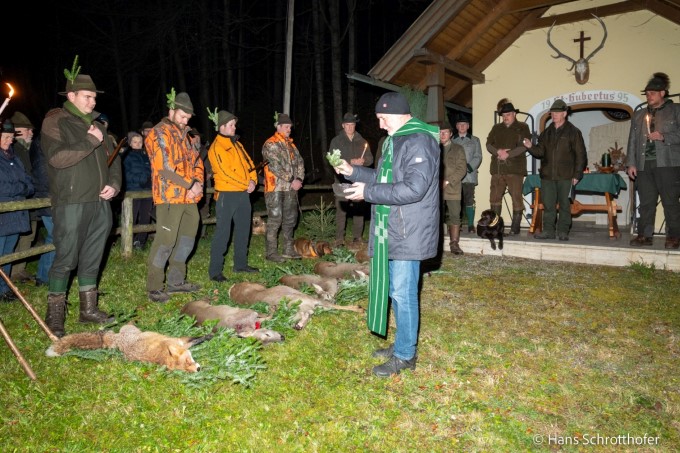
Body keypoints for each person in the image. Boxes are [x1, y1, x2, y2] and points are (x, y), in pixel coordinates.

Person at [334, 92, 440, 377]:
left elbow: (414, 188)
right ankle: (402, 344)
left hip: (409, 231)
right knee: (396, 290)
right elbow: (383, 178)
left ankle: (405, 355)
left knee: (403, 294)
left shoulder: (419, 140)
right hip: (394, 228)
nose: (380, 125)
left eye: (383, 118)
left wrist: (368, 192)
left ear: (399, 115)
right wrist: (353, 171)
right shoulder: (396, 141)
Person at [40, 73, 121, 337]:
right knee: (66, 257)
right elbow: (57, 158)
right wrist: (90, 140)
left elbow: (113, 159)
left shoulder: (98, 126)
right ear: (71, 96)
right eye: (87, 97)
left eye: (94, 97)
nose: (92, 102)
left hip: (100, 202)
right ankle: (54, 315)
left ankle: (88, 309)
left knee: (93, 256)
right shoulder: (56, 121)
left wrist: (114, 184)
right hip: (71, 201)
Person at [145, 91, 204, 302]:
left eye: (188, 118)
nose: (185, 121)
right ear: (171, 110)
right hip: (169, 197)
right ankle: (154, 286)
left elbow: (197, 162)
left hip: (189, 198)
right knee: (165, 242)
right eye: (182, 116)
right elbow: (164, 167)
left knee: (187, 240)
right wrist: (190, 184)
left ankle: (176, 281)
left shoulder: (187, 137)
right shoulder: (158, 133)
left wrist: (198, 184)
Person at [627, 73, 680, 249]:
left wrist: (664, 136)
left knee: (670, 202)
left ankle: (674, 237)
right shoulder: (639, 115)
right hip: (644, 165)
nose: (649, 96)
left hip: (668, 164)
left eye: (653, 93)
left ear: (662, 93)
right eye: (647, 93)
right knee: (646, 202)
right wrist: (631, 163)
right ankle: (645, 236)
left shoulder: (676, 110)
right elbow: (632, 140)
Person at [524, 99, 587, 241]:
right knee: (548, 205)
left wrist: (577, 174)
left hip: (566, 175)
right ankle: (548, 231)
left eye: (557, 112)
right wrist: (530, 146)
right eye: (552, 113)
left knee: (565, 204)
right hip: (547, 176)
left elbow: (581, 155)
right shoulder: (546, 133)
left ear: (564, 113)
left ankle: (563, 231)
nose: (554, 115)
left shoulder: (574, 132)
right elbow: (540, 152)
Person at [207, 110, 259, 282]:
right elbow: (225, 173)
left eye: (234, 125)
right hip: (227, 194)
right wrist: (246, 184)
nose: (234, 127)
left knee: (244, 229)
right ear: (222, 126)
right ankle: (215, 271)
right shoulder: (216, 147)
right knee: (223, 232)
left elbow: (249, 164)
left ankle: (240, 264)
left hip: (243, 194)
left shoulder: (237, 144)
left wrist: (253, 180)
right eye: (231, 125)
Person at [261, 113, 305, 262]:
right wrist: (292, 179)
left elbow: (300, 163)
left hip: (291, 188)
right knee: (275, 219)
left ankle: (288, 249)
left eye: (290, 127)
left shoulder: (291, 145)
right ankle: (271, 252)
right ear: (278, 127)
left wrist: (299, 179)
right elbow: (273, 166)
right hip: (275, 188)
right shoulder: (270, 144)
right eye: (286, 127)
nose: (289, 129)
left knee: (290, 219)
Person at [0, 119, 34, 301]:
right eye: (5, 137)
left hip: (15, 215)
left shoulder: (15, 158)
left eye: (11, 137)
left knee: (8, 253)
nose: (9, 141)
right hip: (2, 216)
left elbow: (29, 183)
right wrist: (21, 188)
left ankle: (4, 289)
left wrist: (22, 187)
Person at [486, 98, 531, 235]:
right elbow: (488, 144)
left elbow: (524, 146)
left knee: (516, 197)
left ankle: (515, 228)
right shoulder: (496, 128)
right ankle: (494, 227)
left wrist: (508, 154)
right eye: (504, 115)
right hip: (498, 168)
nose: (506, 117)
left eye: (508, 114)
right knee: (494, 198)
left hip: (515, 169)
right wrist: (498, 152)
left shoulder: (523, 127)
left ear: (514, 114)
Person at [328, 112, 373, 246]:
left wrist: (363, 161)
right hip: (341, 180)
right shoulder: (336, 141)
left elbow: (370, 159)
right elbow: (332, 159)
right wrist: (350, 161)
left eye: (352, 125)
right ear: (343, 125)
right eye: (347, 125)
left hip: (358, 181)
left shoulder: (362, 141)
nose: (350, 127)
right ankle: (339, 238)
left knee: (359, 210)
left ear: (355, 125)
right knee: (341, 210)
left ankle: (357, 237)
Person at [9, 111, 37, 282]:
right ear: (18, 131)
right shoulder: (14, 150)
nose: (31, 132)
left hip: (30, 199)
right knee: (16, 237)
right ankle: (12, 271)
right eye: (28, 130)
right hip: (18, 200)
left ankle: (19, 270)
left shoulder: (27, 149)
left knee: (29, 235)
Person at [452, 113, 483, 233]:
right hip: (455, 175)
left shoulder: (475, 140)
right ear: (456, 126)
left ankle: (470, 225)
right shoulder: (452, 140)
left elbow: (478, 156)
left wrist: (469, 167)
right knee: (456, 200)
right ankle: (457, 224)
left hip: (469, 175)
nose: (462, 126)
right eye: (460, 124)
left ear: (468, 126)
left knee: (469, 199)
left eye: (464, 124)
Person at [440, 120, 467, 255]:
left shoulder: (458, 149)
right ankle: (435, 244)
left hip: (453, 188)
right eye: (440, 132)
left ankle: (454, 244)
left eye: (445, 132)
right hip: (435, 189)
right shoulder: (433, 148)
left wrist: (448, 181)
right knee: (435, 216)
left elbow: (462, 169)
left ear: (451, 134)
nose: (442, 135)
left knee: (455, 215)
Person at [123, 131, 152, 249]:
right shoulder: (126, 156)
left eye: (140, 141)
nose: (138, 144)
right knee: (132, 217)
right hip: (133, 191)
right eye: (135, 142)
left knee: (146, 217)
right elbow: (125, 174)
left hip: (147, 191)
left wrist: (150, 180)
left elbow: (151, 170)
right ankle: (128, 242)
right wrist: (140, 179)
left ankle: (140, 241)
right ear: (130, 143)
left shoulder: (146, 155)